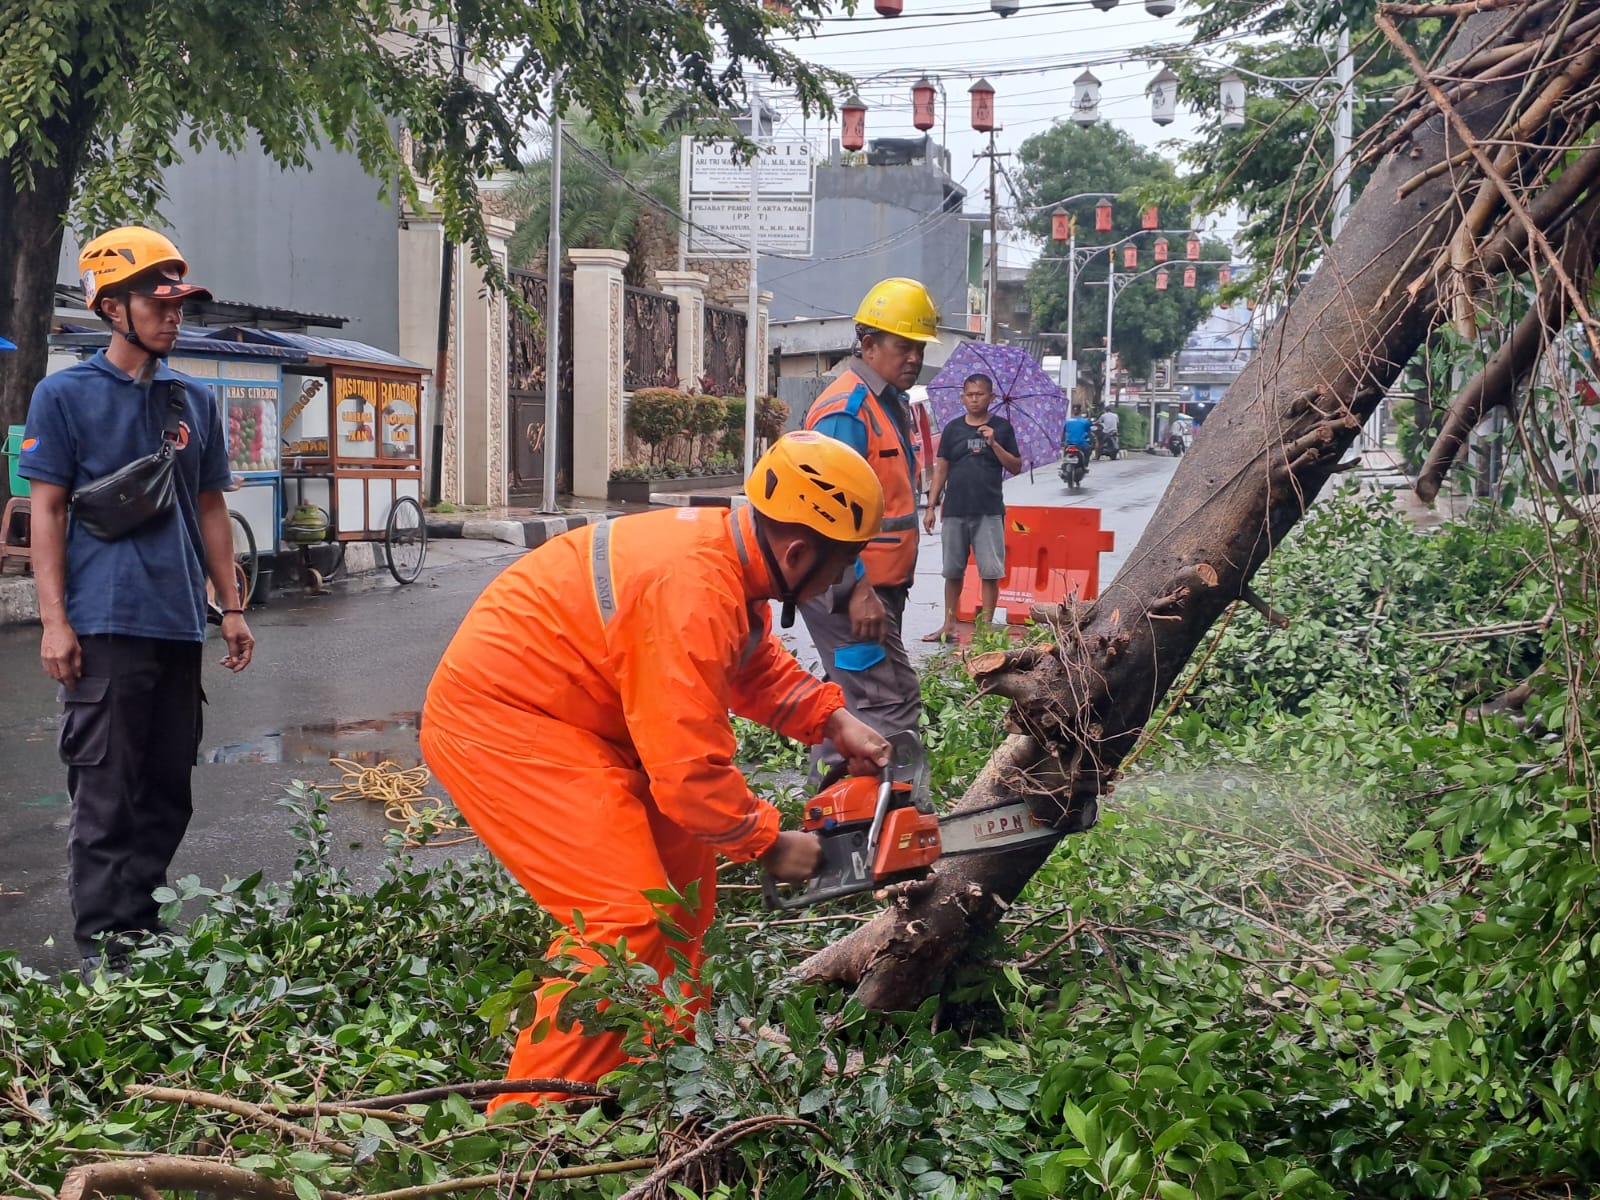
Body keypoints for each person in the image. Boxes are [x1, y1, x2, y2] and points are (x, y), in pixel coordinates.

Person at [420, 432, 893, 1108]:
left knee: (681, 897)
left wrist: (829, 717)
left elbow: (748, 660)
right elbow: (688, 772)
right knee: (627, 919)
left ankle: (659, 1071)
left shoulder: (729, 556)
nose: (837, 585)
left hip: (586, 720)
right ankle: (522, 1125)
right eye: (838, 567)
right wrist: (769, 843)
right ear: (797, 552)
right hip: (507, 723)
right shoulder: (694, 586)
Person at [19, 225, 254, 968]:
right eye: (158, 303)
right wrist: (54, 622)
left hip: (179, 623)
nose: (172, 316)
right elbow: (46, 511)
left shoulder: (194, 402)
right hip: (104, 623)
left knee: (165, 790)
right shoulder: (64, 396)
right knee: (106, 795)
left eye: (179, 304)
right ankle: (103, 948)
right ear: (111, 307)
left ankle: (143, 933)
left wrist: (232, 605)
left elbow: (210, 507)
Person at [800, 277, 939, 774]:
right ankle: (890, 822)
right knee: (889, 704)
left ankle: (833, 823)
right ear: (868, 345)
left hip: (878, 589)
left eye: (919, 348)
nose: (914, 359)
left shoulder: (889, 404)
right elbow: (820, 514)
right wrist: (857, 587)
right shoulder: (847, 411)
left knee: (855, 701)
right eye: (904, 346)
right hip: (851, 591)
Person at [921, 374, 1022, 641]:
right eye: (969, 394)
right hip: (955, 509)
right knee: (952, 571)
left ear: (991, 397)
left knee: (990, 571)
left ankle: (986, 629)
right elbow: (941, 468)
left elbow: (1015, 466)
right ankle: (948, 624)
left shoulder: (1002, 428)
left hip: (988, 510)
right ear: (962, 397)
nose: (974, 398)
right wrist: (931, 506)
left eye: (980, 394)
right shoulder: (952, 429)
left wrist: (994, 443)